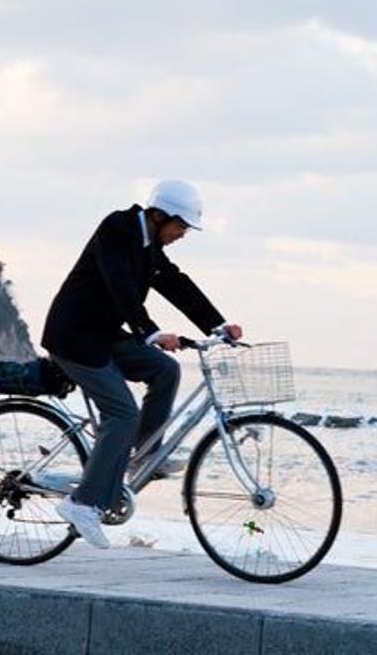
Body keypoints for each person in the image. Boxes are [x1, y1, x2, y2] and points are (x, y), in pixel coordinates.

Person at [41, 179, 242, 548]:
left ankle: (143, 455)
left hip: (104, 334)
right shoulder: (117, 228)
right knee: (123, 414)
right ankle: (82, 503)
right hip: (74, 337)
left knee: (166, 370)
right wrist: (150, 332)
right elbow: (119, 284)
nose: (183, 234)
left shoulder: (151, 247)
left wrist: (217, 323)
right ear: (160, 215)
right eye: (181, 226)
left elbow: (177, 285)